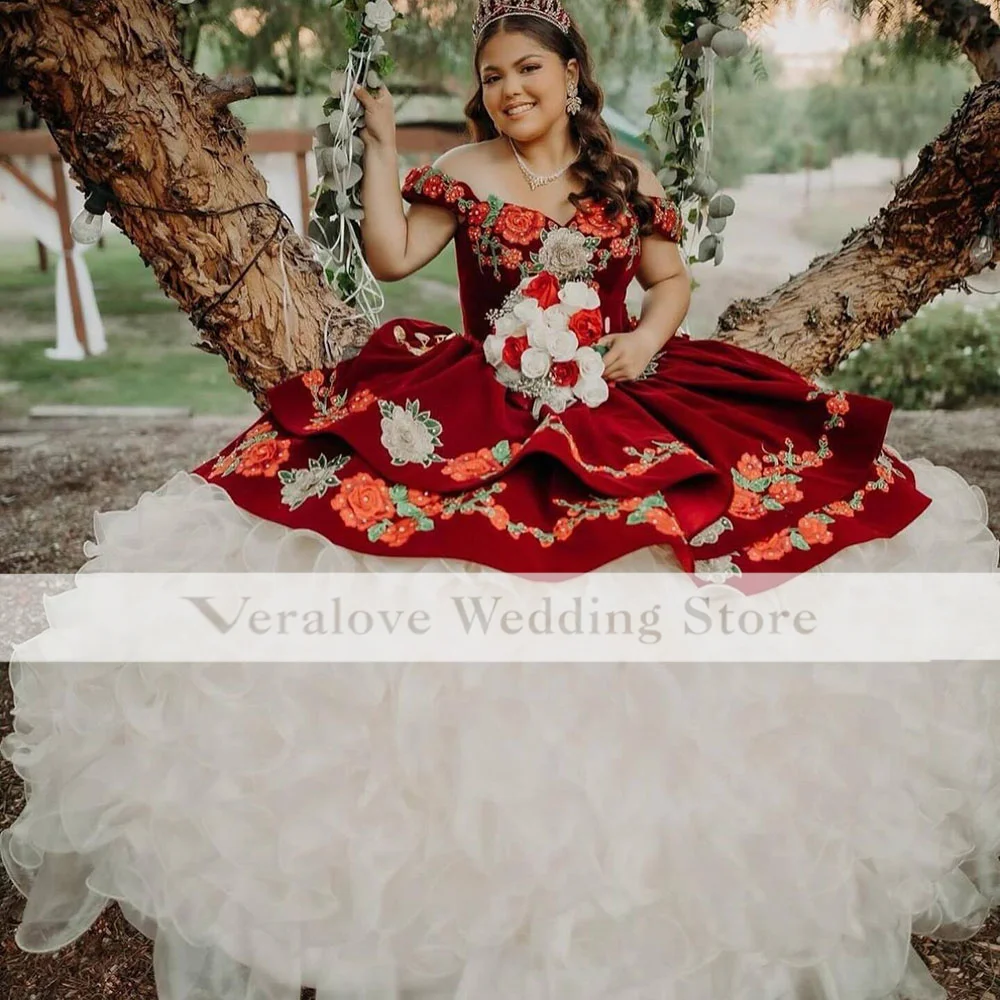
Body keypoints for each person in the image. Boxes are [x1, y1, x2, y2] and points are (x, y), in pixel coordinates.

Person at [3, 2, 999, 999]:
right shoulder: (467, 174)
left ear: (571, 73)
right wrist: (385, 144)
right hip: (485, 394)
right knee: (411, 536)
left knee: (692, 534)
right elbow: (392, 258)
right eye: (491, 75)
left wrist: (643, 340)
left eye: (527, 68)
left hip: (616, 394)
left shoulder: (624, 175)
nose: (509, 88)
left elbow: (666, 281)